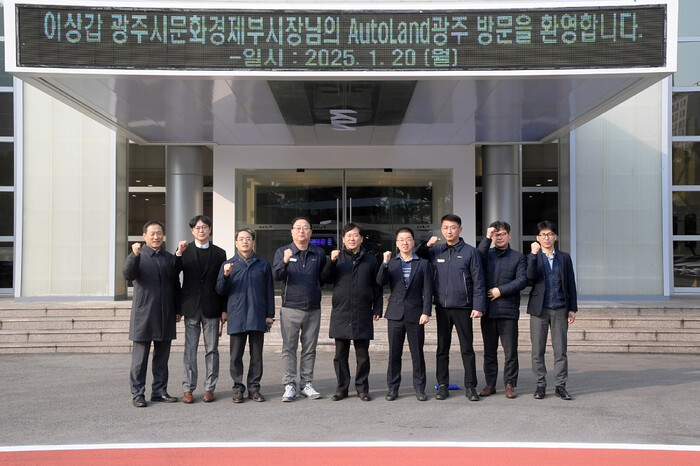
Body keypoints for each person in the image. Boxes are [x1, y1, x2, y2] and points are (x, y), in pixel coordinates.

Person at [417, 214, 486, 401]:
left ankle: (470, 386)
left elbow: (478, 281)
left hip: (464, 307)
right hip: (442, 307)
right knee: (442, 349)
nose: (449, 231)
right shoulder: (436, 250)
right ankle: (443, 385)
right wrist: (427, 245)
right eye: (446, 227)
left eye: (453, 227)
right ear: (441, 229)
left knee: (467, 348)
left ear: (460, 230)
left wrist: (478, 306)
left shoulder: (470, 252)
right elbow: (417, 255)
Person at [320, 223, 383, 402]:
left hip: (362, 311)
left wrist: (377, 308)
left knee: (362, 355)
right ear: (343, 239)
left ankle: (362, 389)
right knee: (340, 355)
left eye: (355, 235)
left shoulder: (371, 259)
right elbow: (324, 279)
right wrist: (331, 261)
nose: (352, 239)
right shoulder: (337, 258)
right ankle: (342, 389)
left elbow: (377, 286)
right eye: (348, 236)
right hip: (341, 311)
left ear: (361, 238)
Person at [123, 220, 181, 408]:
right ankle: (138, 394)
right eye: (152, 234)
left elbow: (176, 285)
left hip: (165, 314)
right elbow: (128, 275)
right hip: (144, 315)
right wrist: (134, 255)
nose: (156, 237)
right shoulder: (138, 256)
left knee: (162, 358)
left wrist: (178, 310)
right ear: (144, 236)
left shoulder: (168, 258)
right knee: (140, 359)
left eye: (159, 233)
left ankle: (159, 391)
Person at [216, 228, 275, 403]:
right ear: (236, 243)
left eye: (248, 238)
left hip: (257, 314)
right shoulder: (228, 264)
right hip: (237, 314)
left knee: (256, 355)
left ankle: (254, 388)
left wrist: (269, 314)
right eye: (241, 239)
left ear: (253, 242)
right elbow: (220, 290)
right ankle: (237, 388)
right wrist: (225, 275)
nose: (244, 241)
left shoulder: (263, 264)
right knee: (235, 355)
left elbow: (269, 291)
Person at [272, 216, 328, 402]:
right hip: (290, 308)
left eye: (305, 228)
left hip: (313, 308)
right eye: (298, 228)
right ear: (292, 232)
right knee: (289, 348)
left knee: (309, 348)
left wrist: (333, 262)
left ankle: (306, 384)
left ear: (310, 232)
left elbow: (324, 278)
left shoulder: (318, 253)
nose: (301, 231)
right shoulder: (283, 251)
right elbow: (276, 275)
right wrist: (285, 261)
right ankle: (289, 384)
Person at [174, 215, 227, 404]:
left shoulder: (219, 253)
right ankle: (188, 388)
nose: (201, 230)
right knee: (190, 349)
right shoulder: (184, 250)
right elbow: (173, 273)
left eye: (205, 227)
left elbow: (223, 282)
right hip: (190, 307)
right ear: (192, 231)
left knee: (212, 349)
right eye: (197, 228)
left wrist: (224, 309)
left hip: (212, 306)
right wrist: (178, 253)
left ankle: (209, 388)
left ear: (210, 230)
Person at [377, 227, 433, 401]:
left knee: (417, 354)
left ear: (413, 242)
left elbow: (428, 290)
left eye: (408, 239)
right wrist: (384, 263)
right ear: (396, 243)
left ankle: (420, 388)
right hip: (395, 314)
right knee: (394, 354)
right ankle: (393, 388)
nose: (405, 242)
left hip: (416, 314)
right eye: (401, 239)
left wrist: (426, 312)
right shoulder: (392, 263)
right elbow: (380, 281)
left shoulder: (423, 264)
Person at [527, 220, 578, 401]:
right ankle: (540, 384)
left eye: (550, 234)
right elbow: (529, 278)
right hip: (539, 310)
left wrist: (572, 308)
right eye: (543, 235)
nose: (546, 238)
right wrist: (533, 255)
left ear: (555, 236)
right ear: (537, 238)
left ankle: (560, 386)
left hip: (560, 308)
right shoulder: (533, 256)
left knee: (560, 350)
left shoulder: (564, 257)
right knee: (537, 350)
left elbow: (570, 283)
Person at [476, 221, 527, 399]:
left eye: (502, 234)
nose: (499, 237)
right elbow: (476, 259)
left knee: (510, 352)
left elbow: (522, 280)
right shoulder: (486, 255)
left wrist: (500, 290)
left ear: (509, 236)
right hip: (488, 311)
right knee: (489, 351)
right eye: (495, 234)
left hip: (508, 311)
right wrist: (486, 238)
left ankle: (510, 384)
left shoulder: (518, 257)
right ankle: (490, 384)